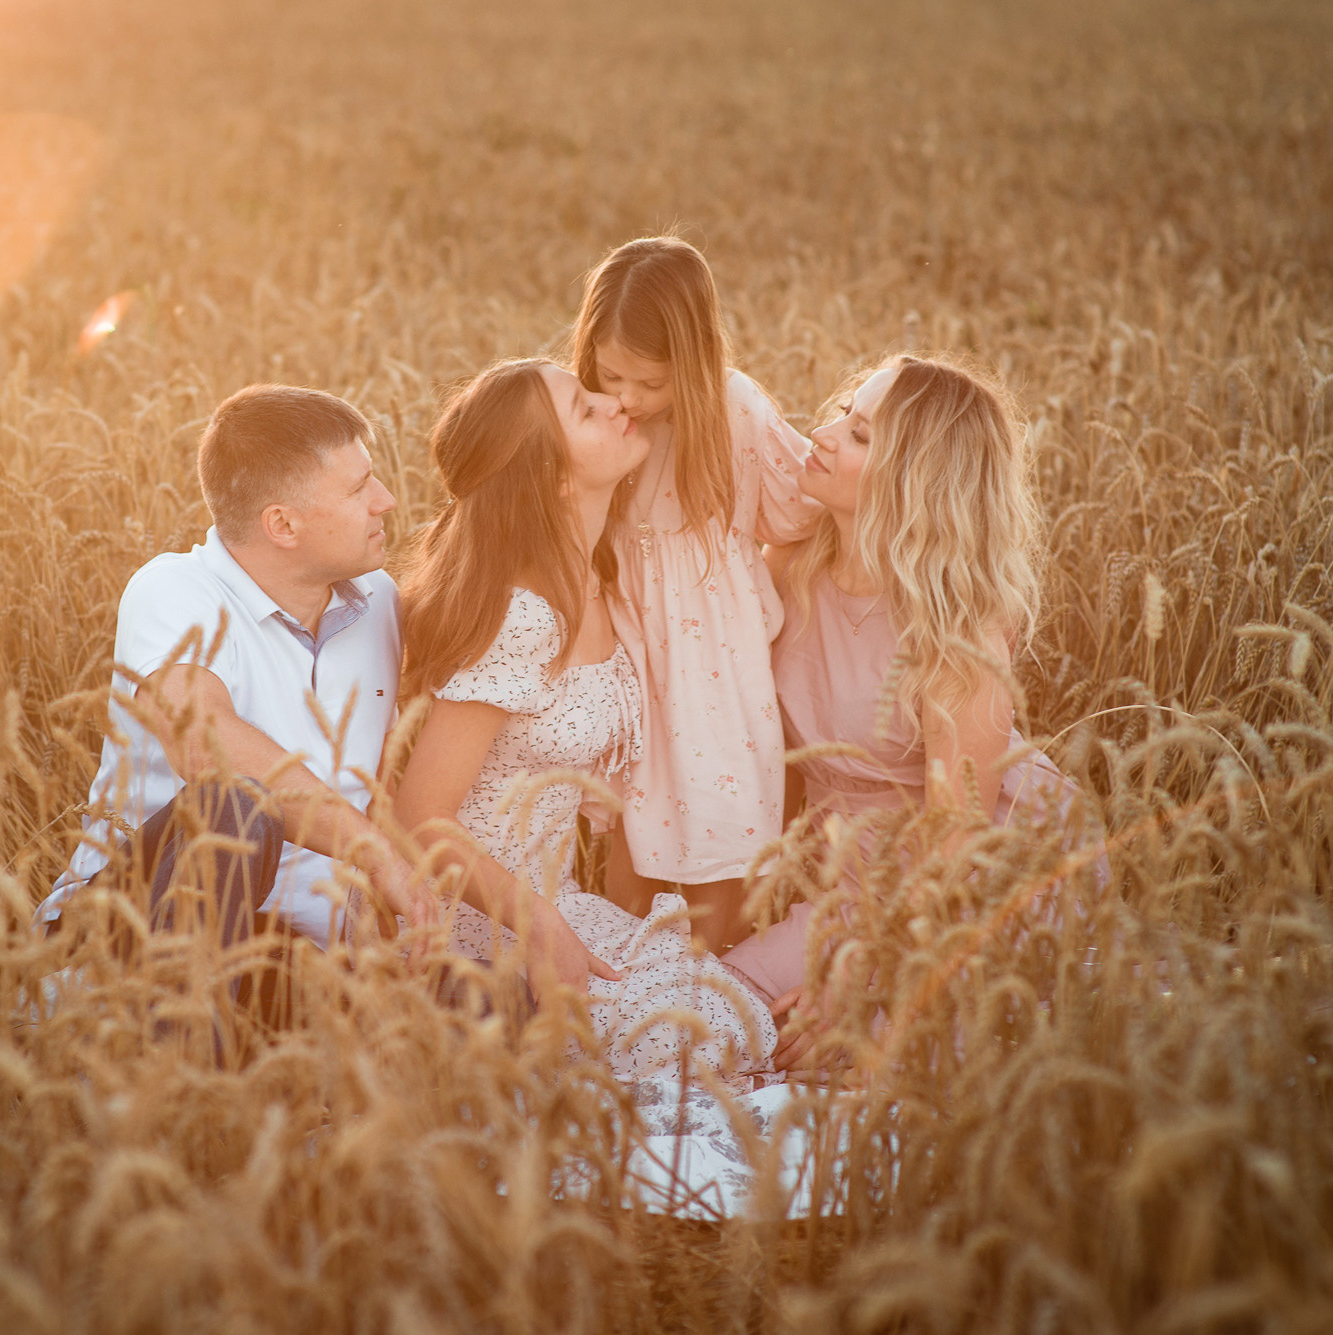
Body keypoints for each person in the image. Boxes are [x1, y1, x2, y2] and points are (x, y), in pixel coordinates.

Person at [394, 358, 812, 1087]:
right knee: (702, 1047)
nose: (620, 405)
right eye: (588, 409)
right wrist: (541, 925)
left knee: (741, 1020)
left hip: (559, 911)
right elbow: (421, 816)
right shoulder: (520, 613)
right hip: (487, 934)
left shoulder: (602, 575)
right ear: (556, 478)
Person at [725, 355, 1093, 1030]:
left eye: (862, 434)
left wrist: (868, 977)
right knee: (723, 1005)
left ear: (914, 479)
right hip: (852, 870)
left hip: (976, 879)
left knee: (866, 1045)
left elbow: (958, 840)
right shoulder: (790, 566)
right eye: (844, 415)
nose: (826, 434)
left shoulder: (958, 621)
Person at [38, 384, 435, 965]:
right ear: (283, 525)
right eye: (359, 488)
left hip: (300, 958)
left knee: (502, 1005)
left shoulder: (378, 601)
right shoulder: (174, 588)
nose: (387, 500)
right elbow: (206, 749)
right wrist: (370, 850)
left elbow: (379, 785)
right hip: (132, 934)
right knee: (233, 808)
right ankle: (167, 1049)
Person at [571, 236, 823, 953]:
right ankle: (623, 983)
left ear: (696, 358)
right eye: (612, 373)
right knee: (633, 826)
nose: (627, 398)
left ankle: (719, 987)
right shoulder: (594, 416)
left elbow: (799, 510)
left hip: (717, 666)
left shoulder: (736, 408)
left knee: (724, 821)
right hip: (628, 653)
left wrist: (755, 592)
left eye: (650, 383)